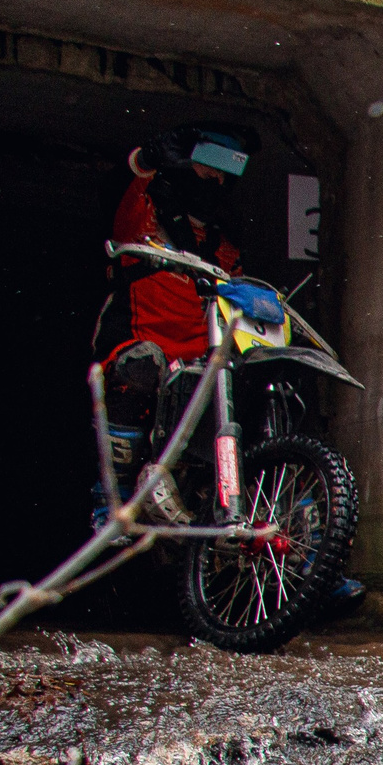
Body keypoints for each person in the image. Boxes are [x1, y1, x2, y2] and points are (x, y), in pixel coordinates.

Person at [91, 124, 255, 524]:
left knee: (251, 384)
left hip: (198, 364)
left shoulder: (225, 250)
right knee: (142, 366)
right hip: (139, 343)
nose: (216, 181)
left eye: (225, 175)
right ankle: (112, 501)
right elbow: (122, 183)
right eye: (209, 168)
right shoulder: (143, 216)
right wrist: (149, 157)